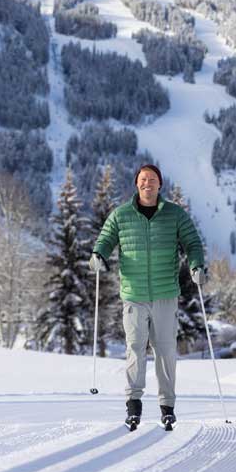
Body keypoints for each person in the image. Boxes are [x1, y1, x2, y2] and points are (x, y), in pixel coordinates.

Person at [90, 163, 206, 431]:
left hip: (166, 295)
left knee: (166, 352)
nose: (147, 184)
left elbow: (193, 243)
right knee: (134, 349)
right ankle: (133, 406)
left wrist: (196, 265)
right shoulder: (121, 215)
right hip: (133, 295)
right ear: (136, 183)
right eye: (143, 179)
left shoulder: (175, 215)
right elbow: (105, 240)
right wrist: (98, 256)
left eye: (152, 180)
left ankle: (167, 408)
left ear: (160, 185)